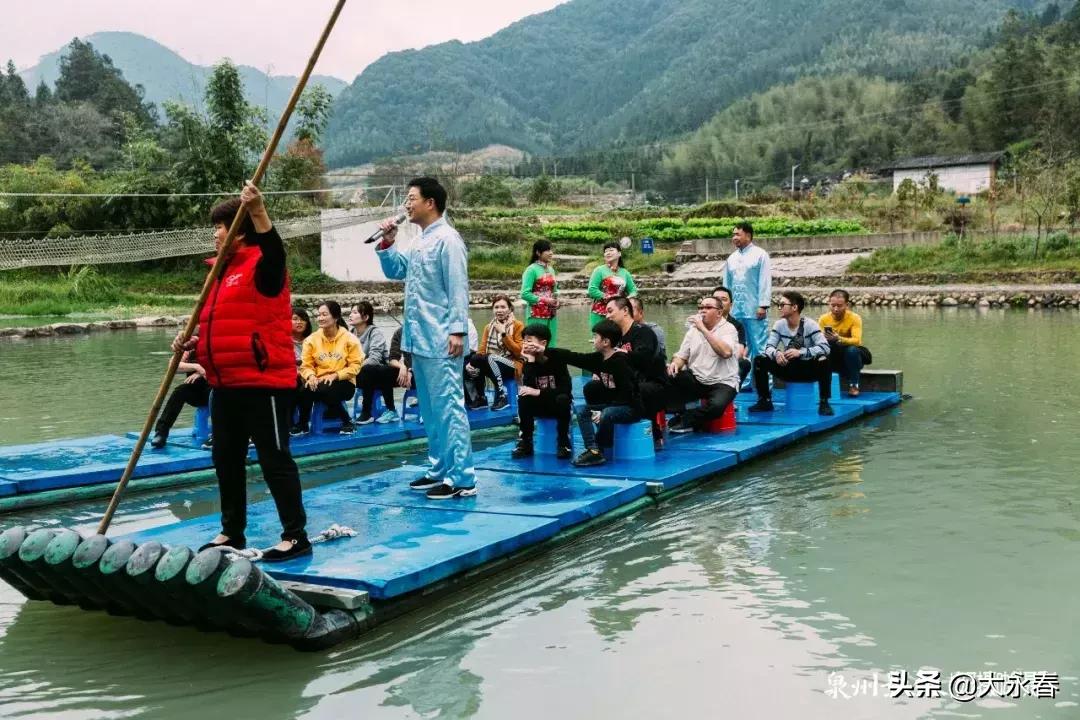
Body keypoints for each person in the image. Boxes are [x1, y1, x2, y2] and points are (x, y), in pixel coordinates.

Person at [171, 182, 309, 562]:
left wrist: (260, 211)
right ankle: (232, 532)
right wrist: (190, 343)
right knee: (225, 458)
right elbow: (221, 326)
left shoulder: (264, 267)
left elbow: (276, 249)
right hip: (225, 382)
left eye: (221, 227)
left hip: (263, 381)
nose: (215, 234)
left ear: (239, 229)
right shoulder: (217, 273)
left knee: (274, 459)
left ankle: (296, 536)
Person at [376, 177, 476, 499]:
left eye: (411, 198)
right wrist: (389, 244)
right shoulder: (421, 240)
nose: (406, 205)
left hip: (443, 340)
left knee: (449, 408)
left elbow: (458, 288)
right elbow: (397, 271)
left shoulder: (449, 239)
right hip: (419, 340)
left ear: (429, 203)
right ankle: (439, 468)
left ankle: (462, 478)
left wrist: (458, 330)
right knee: (430, 411)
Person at [546, 320, 640, 467]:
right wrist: (544, 349)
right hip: (613, 405)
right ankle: (593, 449)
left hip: (630, 407)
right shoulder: (599, 358)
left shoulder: (621, 362)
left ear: (606, 342)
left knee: (607, 413)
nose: (592, 340)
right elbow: (574, 357)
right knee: (582, 410)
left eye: (595, 336)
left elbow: (628, 393)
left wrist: (602, 411)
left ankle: (601, 449)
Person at [748, 291, 834, 416]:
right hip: (788, 368)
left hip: (808, 369)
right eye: (779, 305)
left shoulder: (810, 325)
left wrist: (801, 352)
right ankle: (764, 400)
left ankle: (824, 402)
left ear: (794, 307)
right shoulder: (779, 324)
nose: (779, 308)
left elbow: (825, 347)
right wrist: (777, 354)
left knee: (823, 359)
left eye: (782, 305)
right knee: (760, 359)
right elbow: (768, 347)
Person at [665, 297, 741, 433]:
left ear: (719, 312)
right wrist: (675, 363)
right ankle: (681, 413)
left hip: (723, 382)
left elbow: (725, 352)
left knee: (716, 407)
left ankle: (688, 419)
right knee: (667, 376)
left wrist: (703, 330)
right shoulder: (693, 330)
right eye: (701, 308)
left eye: (707, 307)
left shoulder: (729, 329)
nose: (702, 311)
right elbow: (682, 356)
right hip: (697, 378)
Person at [604, 296, 668, 444]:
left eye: (610, 311)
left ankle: (652, 433)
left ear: (625, 311)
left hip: (652, 382)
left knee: (635, 389)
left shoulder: (644, 332)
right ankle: (606, 430)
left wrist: (619, 354)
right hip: (630, 381)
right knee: (593, 388)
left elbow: (643, 360)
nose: (607, 316)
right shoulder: (615, 336)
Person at [293, 301, 363, 436]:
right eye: (319, 315)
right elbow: (306, 365)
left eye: (324, 314)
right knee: (304, 389)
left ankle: (347, 421)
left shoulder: (350, 339)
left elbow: (355, 366)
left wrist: (335, 375)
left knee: (326, 390)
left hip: (344, 382)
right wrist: (311, 376)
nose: (320, 318)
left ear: (336, 318)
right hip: (318, 381)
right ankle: (303, 425)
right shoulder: (312, 339)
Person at [512, 324, 573, 459]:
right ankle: (526, 441)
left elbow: (566, 389)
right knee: (524, 396)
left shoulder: (557, 358)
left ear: (543, 343)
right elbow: (528, 387)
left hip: (556, 404)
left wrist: (539, 393)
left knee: (563, 398)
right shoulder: (528, 360)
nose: (525, 344)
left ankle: (563, 443)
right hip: (539, 405)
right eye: (524, 340)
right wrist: (531, 361)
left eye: (529, 340)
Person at [722, 221, 771, 363]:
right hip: (736, 311)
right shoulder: (731, 258)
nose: (734, 237)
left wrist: (763, 305)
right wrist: (726, 307)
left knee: (759, 346)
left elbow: (765, 281)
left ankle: (765, 382)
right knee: (741, 348)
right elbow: (727, 285)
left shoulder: (760, 255)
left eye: (738, 234)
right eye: (733, 235)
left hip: (755, 310)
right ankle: (745, 383)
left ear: (748, 236)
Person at [467, 295, 524, 411]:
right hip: (493, 363)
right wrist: (471, 364)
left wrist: (504, 334)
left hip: (513, 364)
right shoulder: (489, 327)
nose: (499, 310)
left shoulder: (518, 325)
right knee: (474, 359)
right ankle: (481, 398)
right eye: (496, 307)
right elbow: (481, 351)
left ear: (510, 309)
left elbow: (519, 352)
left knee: (491, 358)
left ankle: (502, 396)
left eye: (503, 307)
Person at [350, 301, 400, 423]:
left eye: (355, 312)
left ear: (366, 317)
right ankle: (332, 412)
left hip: (385, 373)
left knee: (369, 369)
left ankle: (369, 412)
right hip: (361, 374)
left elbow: (375, 359)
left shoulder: (374, 332)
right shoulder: (350, 333)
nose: (350, 315)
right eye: (351, 312)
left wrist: (352, 369)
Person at [150, 348, 210, 449]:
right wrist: (197, 367)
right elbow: (173, 365)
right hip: (198, 392)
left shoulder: (215, 341)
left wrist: (203, 372)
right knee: (180, 391)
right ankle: (161, 432)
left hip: (217, 390)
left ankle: (218, 434)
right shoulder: (190, 346)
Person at [818, 289, 870, 397]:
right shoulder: (823, 319)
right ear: (829, 304)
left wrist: (839, 339)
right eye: (833, 305)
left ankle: (854, 385)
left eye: (839, 306)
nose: (836, 309)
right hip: (833, 355)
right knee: (821, 350)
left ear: (847, 305)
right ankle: (823, 384)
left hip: (851, 357)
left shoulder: (854, 318)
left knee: (852, 349)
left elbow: (857, 340)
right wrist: (823, 338)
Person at [587, 240, 637, 329]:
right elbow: (592, 290)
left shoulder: (625, 272)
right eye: (606, 251)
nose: (608, 253)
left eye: (611, 250)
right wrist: (610, 298)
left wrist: (627, 300)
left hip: (619, 313)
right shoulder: (599, 270)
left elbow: (633, 290)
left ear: (619, 253)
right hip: (601, 313)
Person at [520, 239, 559, 343]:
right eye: (547, 250)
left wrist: (556, 300)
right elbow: (524, 294)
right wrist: (545, 300)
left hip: (551, 313)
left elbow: (555, 290)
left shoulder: (551, 269)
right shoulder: (531, 270)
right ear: (538, 252)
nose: (551, 253)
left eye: (551, 250)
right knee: (536, 343)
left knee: (551, 343)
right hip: (536, 314)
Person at [713, 286, 751, 387]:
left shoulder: (737, 325)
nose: (720, 302)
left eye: (724, 299)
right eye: (716, 299)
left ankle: (730, 393)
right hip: (705, 362)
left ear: (731, 305)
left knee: (744, 363)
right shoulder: (701, 322)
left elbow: (739, 351)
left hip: (727, 361)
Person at [628, 296, 666, 362]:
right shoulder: (620, 331)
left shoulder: (655, 330)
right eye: (625, 311)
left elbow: (658, 357)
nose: (627, 314)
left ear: (641, 313)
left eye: (631, 311)